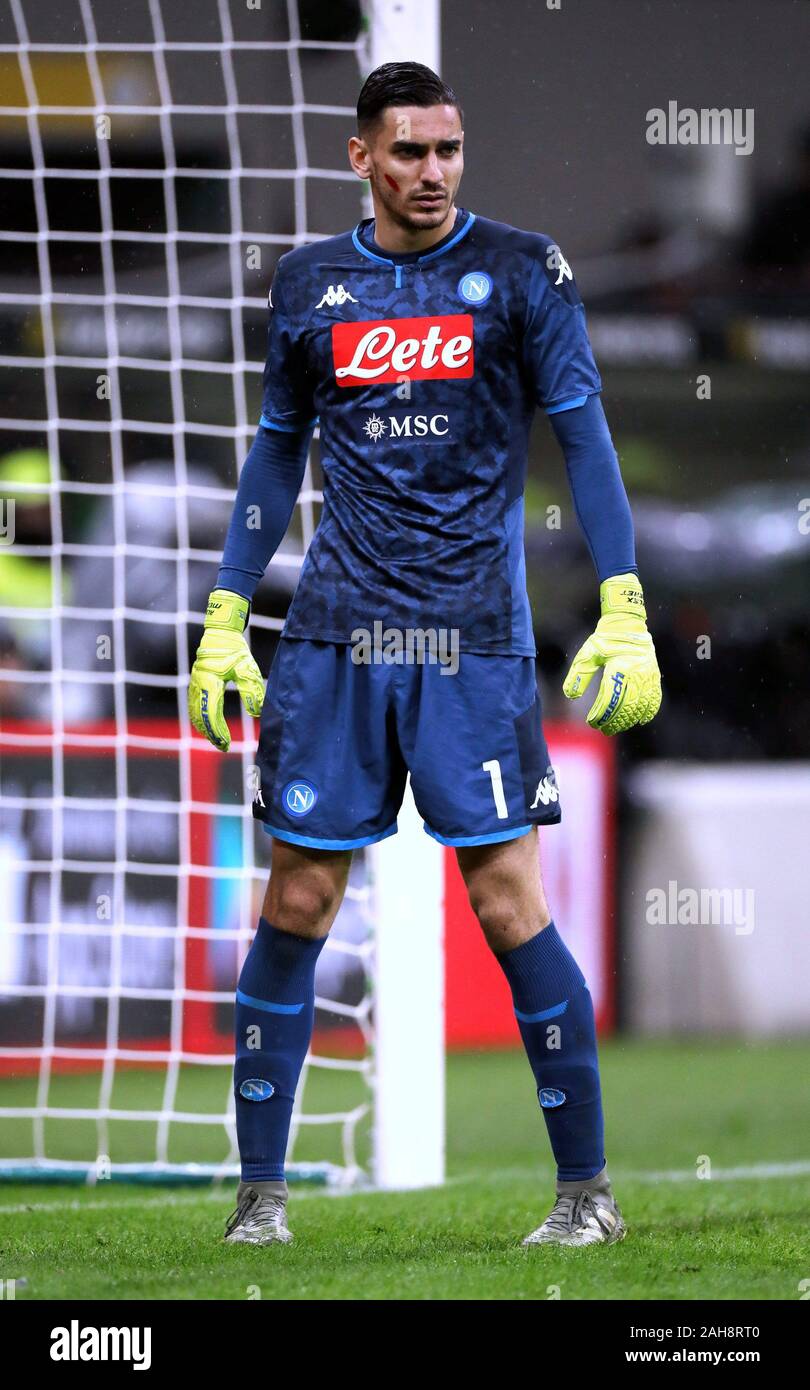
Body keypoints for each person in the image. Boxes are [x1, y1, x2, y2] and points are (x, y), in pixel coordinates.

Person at [188, 62, 661, 1248]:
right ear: (362, 157)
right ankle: (261, 1202)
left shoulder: (520, 270)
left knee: (507, 902)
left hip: (471, 643)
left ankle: (585, 1197)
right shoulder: (308, 285)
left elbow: (586, 436)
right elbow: (270, 461)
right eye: (409, 151)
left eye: (449, 149)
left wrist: (624, 602)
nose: (434, 172)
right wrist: (227, 614)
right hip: (338, 640)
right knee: (297, 897)